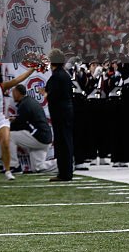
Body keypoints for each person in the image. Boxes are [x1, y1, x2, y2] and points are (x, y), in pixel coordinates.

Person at [9, 84, 54, 173]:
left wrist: (9, 124)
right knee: (38, 167)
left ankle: (14, 165)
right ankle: (63, 164)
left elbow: (20, 124)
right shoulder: (29, 101)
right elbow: (26, 120)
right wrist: (16, 119)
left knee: (9, 136)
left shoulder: (24, 104)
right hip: (45, 136)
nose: (12, 95)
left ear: (18, 93)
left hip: (39, 137)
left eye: (13, 93)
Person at [46, 49, 75, 181]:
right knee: (66, 142)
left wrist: (45, 93)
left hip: (60, 113)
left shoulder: (56, 76)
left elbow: (51, 95)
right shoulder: (65, 75)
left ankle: (64, 173)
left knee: (62, 143)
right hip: (67, 112)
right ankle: (66, 171)